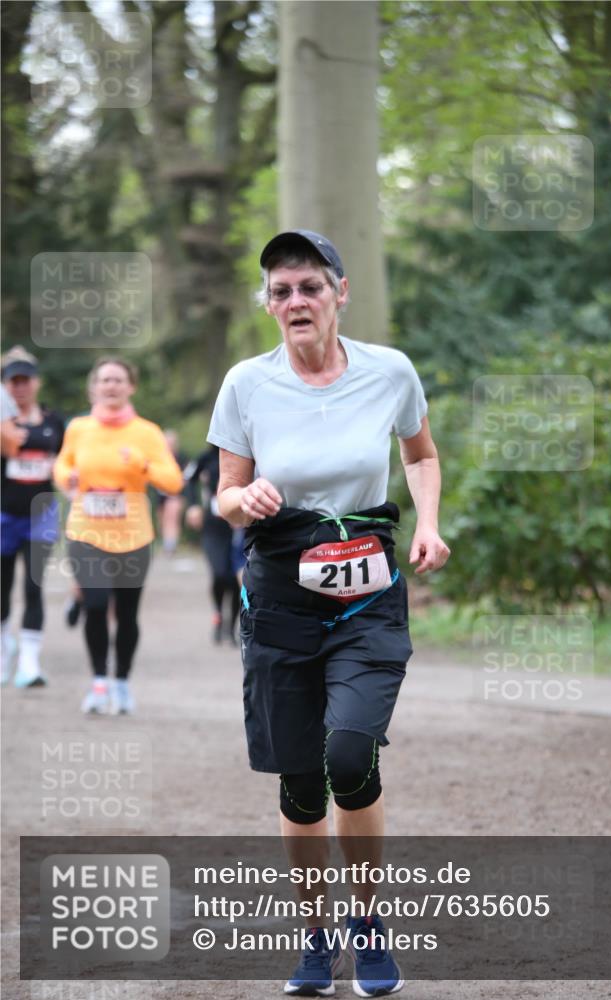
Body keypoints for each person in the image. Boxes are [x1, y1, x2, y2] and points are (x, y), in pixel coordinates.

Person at [208, 230, 450, 997]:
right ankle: (317, 938)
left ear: (340, 293)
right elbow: (223, 493)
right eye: (280, 291)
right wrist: (242, 499)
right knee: (300, 784)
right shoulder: (247, 383)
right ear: (269, 305)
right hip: (281, 597)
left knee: (349, 758)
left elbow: (419, 453)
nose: (295, 302)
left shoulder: (389, 372)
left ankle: (369, 925)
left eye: (309, 286)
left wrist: (430, 521)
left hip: (368, 594)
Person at [53, 357, 183, 714]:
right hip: (86, 531)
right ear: (93, 386)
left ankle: (122, 681)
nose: (111, 386)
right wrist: (69, 478)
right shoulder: (78, 428)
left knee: (127, 614)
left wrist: (142, 463)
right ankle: (98, 683)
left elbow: (173, 481)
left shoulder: (147, 432)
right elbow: (62, 463)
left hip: (134, 536)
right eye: (105, 380)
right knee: (95, 605)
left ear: (131, 387)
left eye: (118, 380)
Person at [1, 347, 64, 687]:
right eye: (13, 382)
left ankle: (29, 662)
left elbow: (70, 460)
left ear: (36, 384)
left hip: (40, 515)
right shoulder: (1, 424)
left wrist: (62, 470)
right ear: (6, 386)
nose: (20, 388)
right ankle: (2, 649)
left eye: (26, 381)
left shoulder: (55, 422)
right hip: (4, 516)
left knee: (33, 586)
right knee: (2, 586)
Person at [184, 443, 243, 644]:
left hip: (238, 526)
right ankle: (218, 614)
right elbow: (188, 480)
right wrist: (193, 506)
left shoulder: (245, 451)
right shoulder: (207, 456)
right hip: (213, 527)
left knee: (235, 579)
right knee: (219, 574)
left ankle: (232, 626)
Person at [155, 429, 187, 555]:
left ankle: (171, 545)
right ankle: (166, 543)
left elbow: (186, 476)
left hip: (175, 494)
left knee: (172, 518)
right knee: (162, 520)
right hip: (160, 494)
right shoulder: (159, 458)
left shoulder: (181, 458)